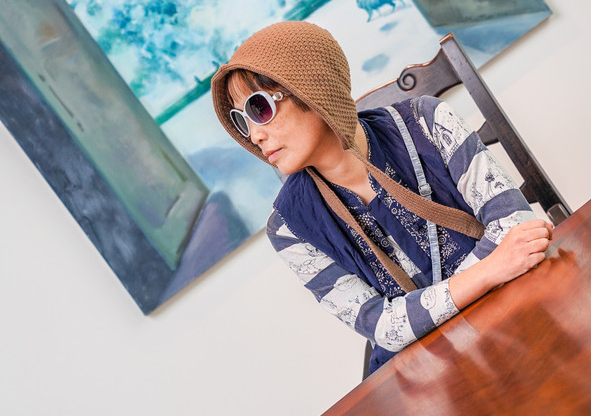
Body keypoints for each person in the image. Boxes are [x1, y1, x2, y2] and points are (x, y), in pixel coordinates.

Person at [211, 21, 552, 374]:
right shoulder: (288, 227)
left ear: (312, 88)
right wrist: (488, 271)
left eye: (259, 109)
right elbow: (384, 328)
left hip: (520, 310)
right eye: (242, 120)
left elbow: (517, 225)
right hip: (430, 372)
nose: (255, 135)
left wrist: (420, 312)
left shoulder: (428, 122)